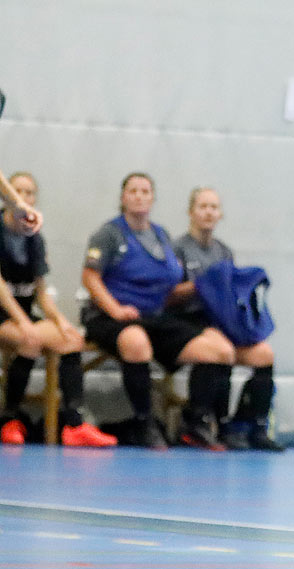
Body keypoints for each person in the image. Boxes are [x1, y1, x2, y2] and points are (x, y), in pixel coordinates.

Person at [81, 173, 238, 448]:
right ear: (123, 197)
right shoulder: (110, 234)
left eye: (145, 191)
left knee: (220, 350)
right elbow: (90, 277)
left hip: (154, 317)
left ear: (152, 198)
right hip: (110, 316)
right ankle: (144, 422)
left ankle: (195, 422)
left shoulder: (161, 235)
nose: (139, 196)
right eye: (133, 191)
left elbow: (172, 284)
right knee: (136, 341)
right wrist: (115, 309)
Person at [1, 174, 113, 446]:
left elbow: (41, 290)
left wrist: (61, 320)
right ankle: (9, 419)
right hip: (5, 314)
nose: (24, 198)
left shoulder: (33, 236)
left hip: (24, 313)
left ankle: (74, 423)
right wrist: (23, 322)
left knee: (70, 338)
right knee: (30, 339)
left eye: (30, 193)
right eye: (18, 192)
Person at [170, 189, 284, 451]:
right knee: (219, 349)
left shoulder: (224, 252)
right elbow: (168, 295)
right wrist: (201, 285)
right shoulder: (178, 249)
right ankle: (200, 420)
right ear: (191, 212)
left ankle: (250, 424)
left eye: (213, 207)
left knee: (264, 354)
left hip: (219, 320)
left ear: (220, 214)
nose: (208, 212)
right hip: (187, 320)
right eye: (202, 207)